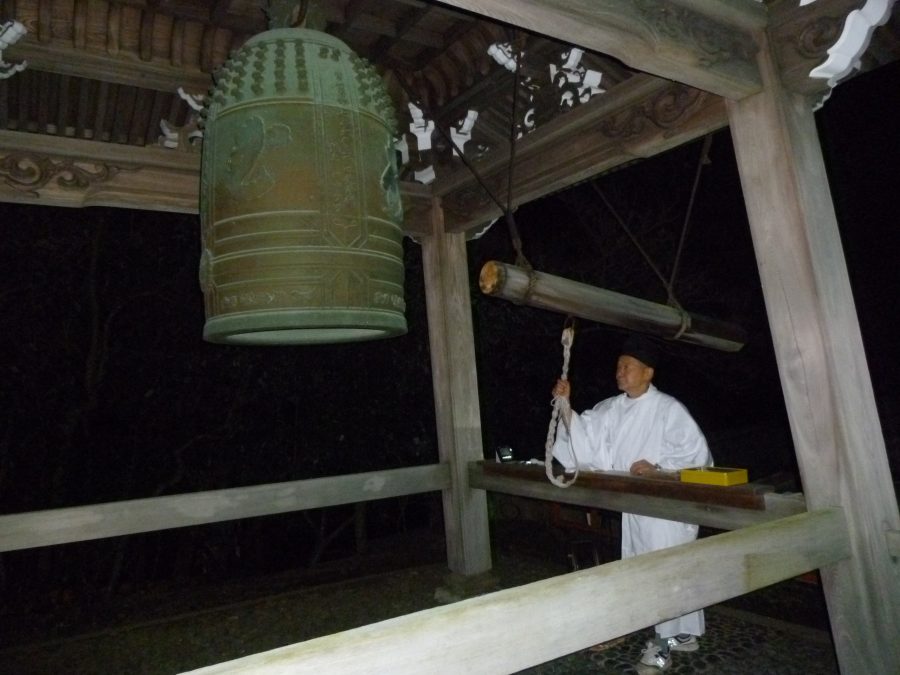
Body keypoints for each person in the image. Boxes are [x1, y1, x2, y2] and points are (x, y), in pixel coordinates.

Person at [551, 335, 711, 674]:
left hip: (666, 509)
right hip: (636, 507)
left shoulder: (668, 408)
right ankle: (682, 634)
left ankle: (664, 643)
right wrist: (566, 405)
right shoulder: (612, 407)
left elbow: (697, 455)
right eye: (618, 367)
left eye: (627, 367)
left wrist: (660, 468)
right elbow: (587, 440)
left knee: (668, 568)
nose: (620, 372)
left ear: (648, 372)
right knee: (649, 568)